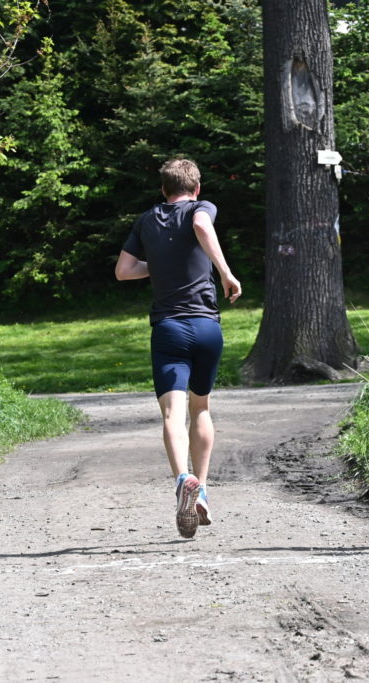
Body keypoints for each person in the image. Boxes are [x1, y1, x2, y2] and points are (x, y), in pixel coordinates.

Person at [115, 158, 241, 539]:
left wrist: (159, 264)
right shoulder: (202, 208)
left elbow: (123, 271)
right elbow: (202, 225)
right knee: (200, 407)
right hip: (206, 326)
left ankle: (182, 478)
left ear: (163, 189)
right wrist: (225, 271)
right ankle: (200, 487)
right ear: (196, 188)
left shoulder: (146, 219)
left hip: (168, 329)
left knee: (173, 413)